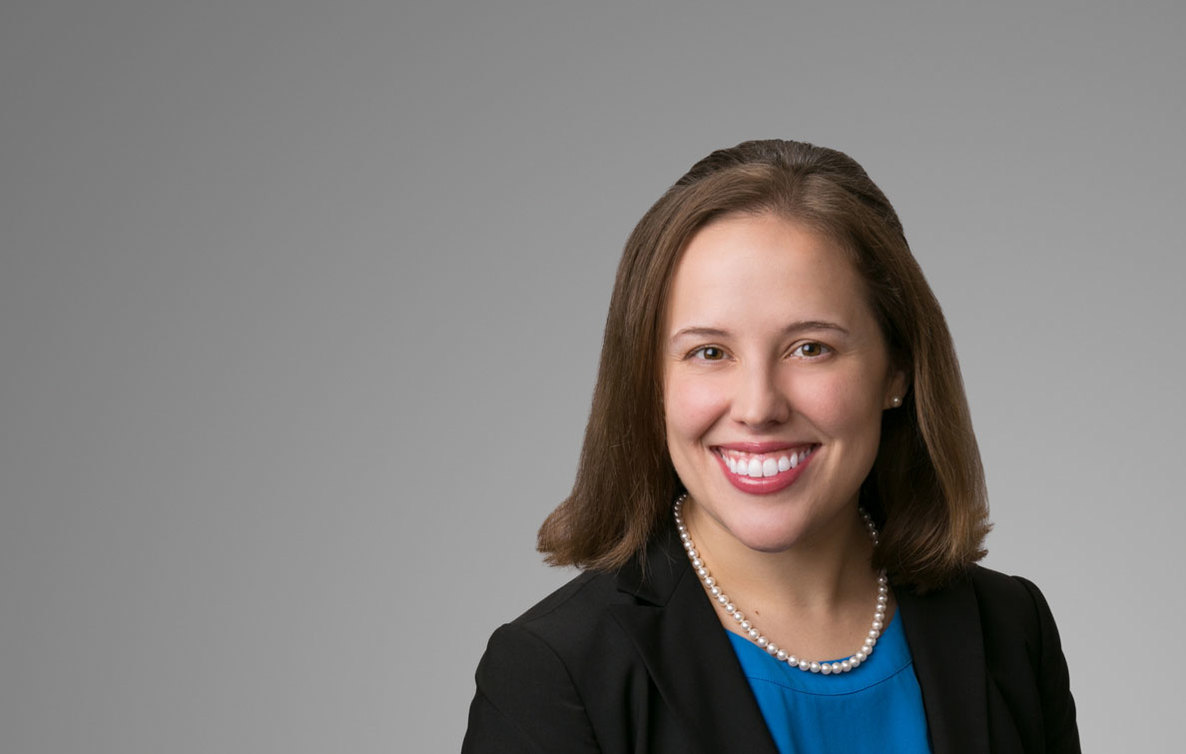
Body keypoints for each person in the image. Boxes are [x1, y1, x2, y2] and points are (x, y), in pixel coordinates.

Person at [461, 140, 1080, 753]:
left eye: (811, 348)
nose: (758, 407)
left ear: (898, 369)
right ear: (651, 382)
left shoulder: (1010, 629)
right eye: (709, 352)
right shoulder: (552, 673)